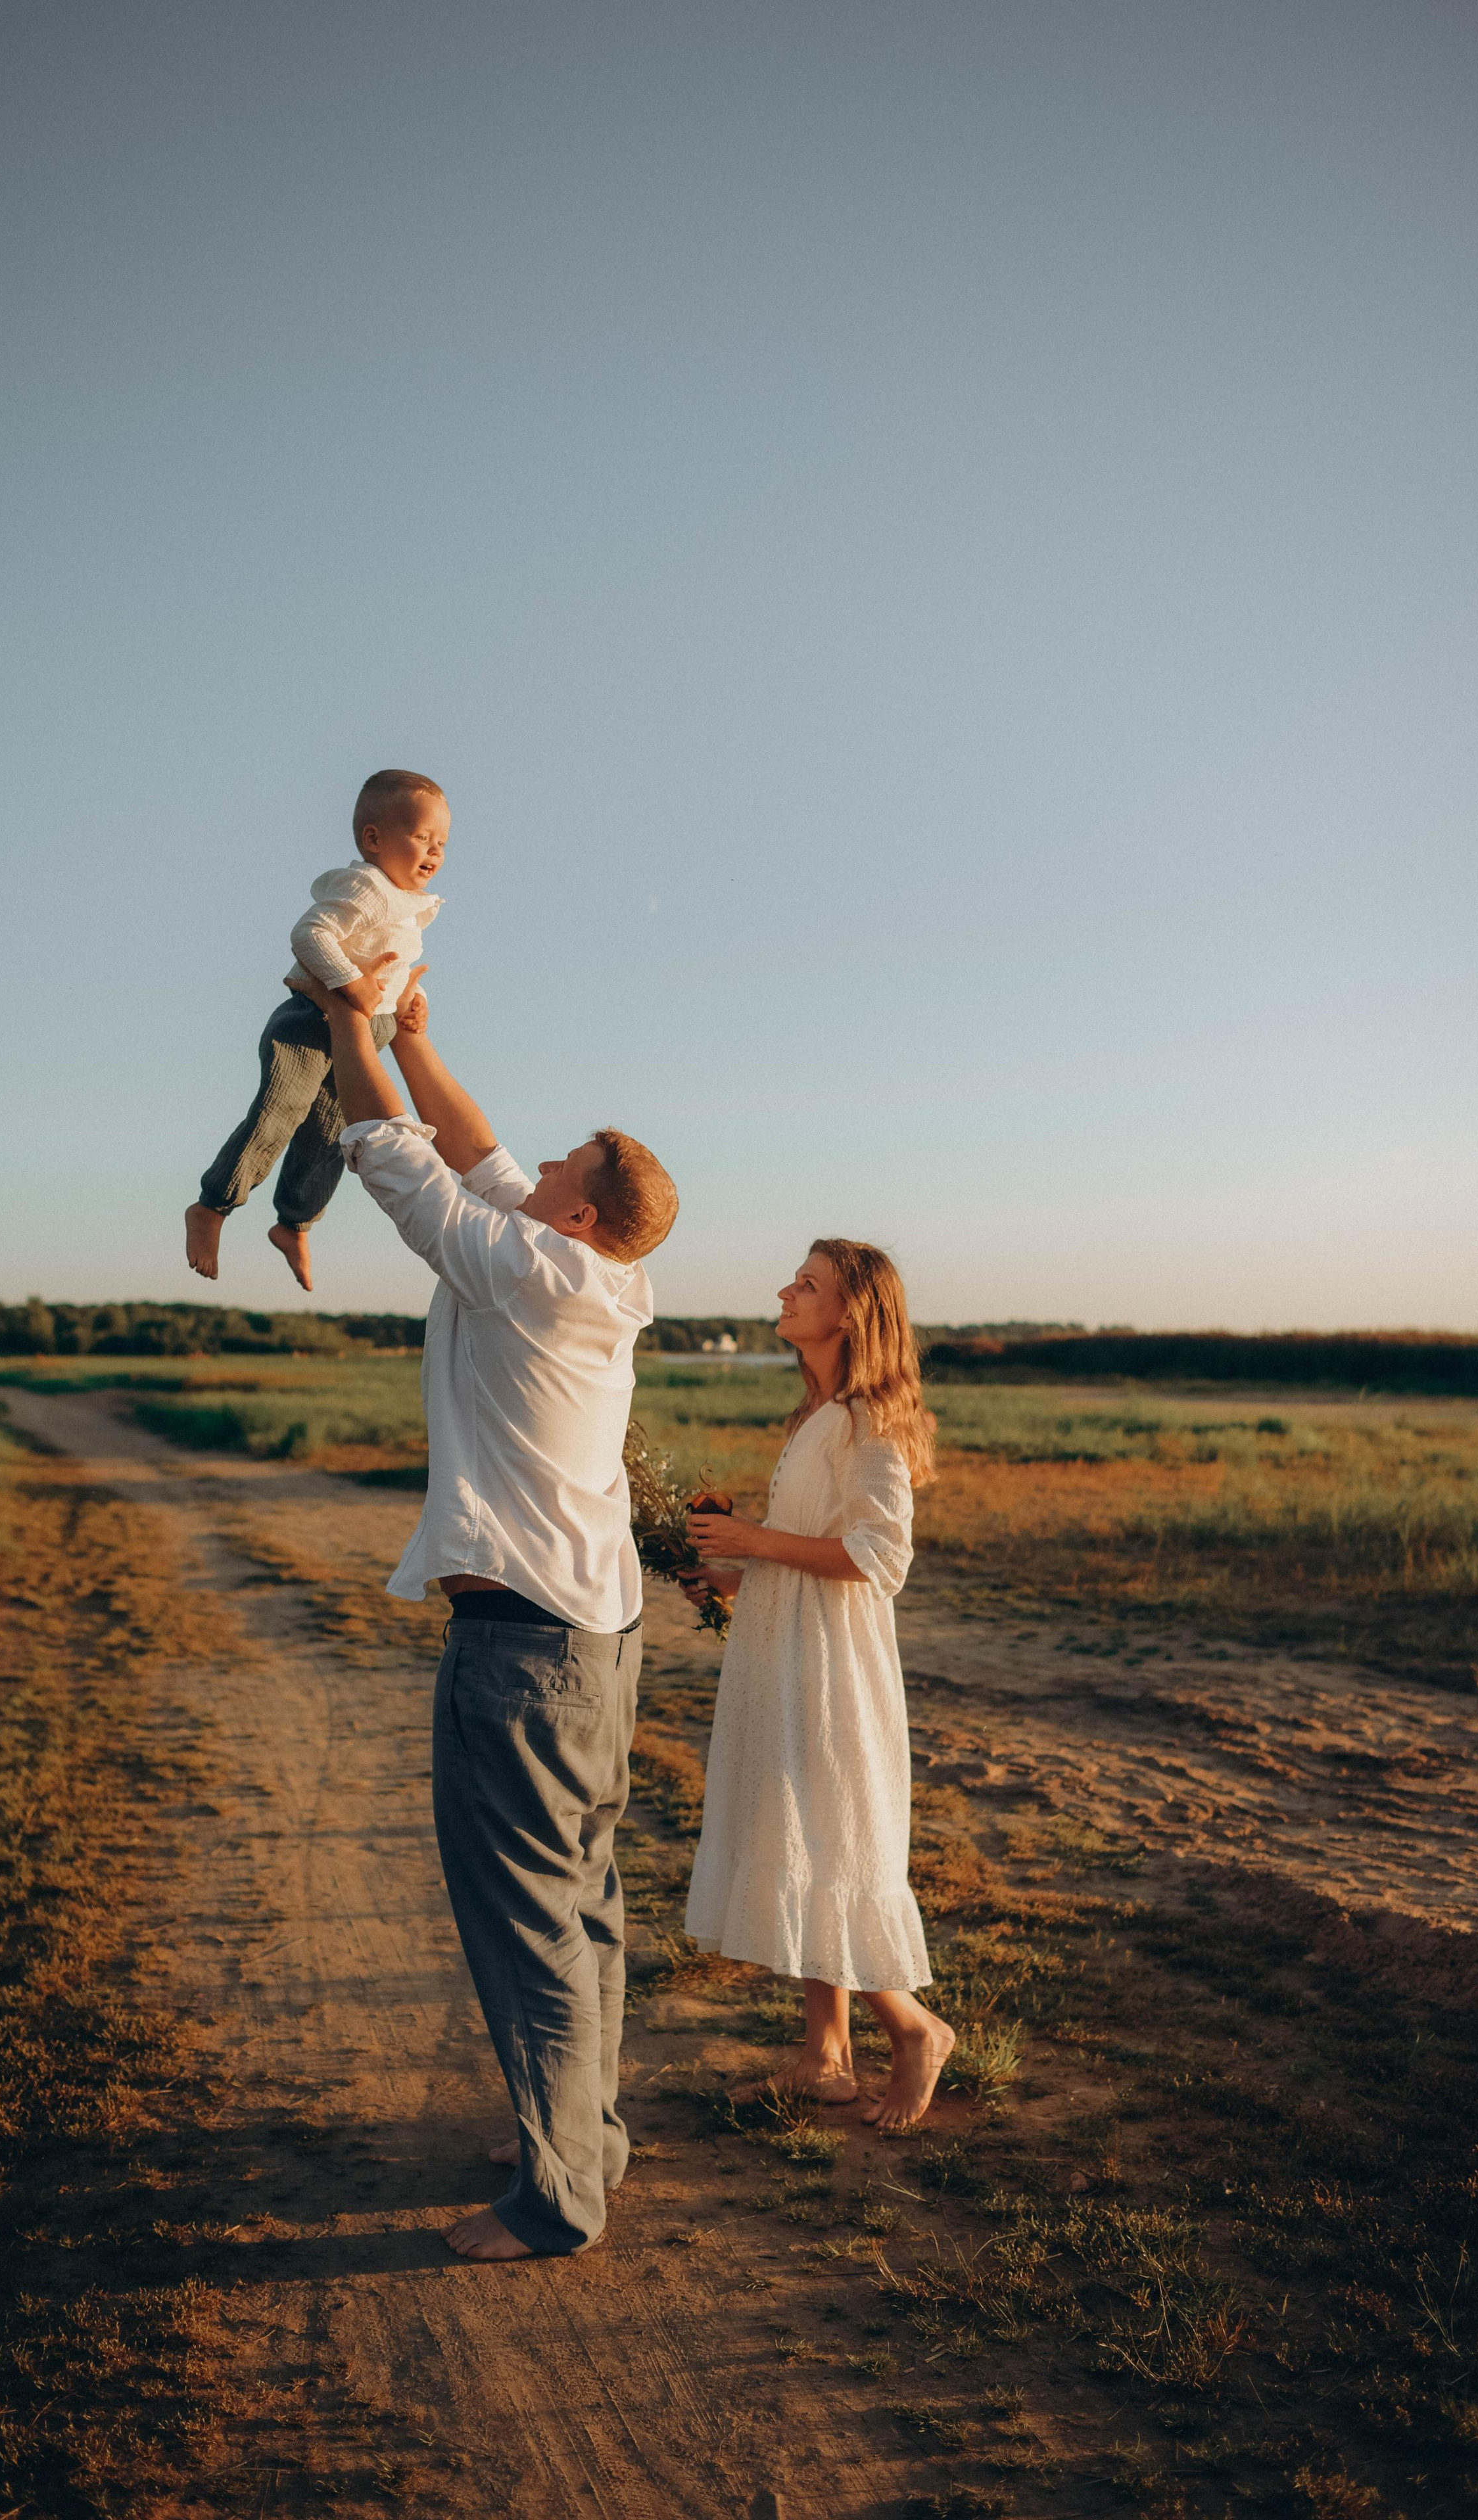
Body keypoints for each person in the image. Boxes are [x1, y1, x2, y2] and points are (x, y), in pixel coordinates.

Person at [283, 954, 678, 2260]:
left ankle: (555, 2200)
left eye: (562, 1168)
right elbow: (474, 1145)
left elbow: (393, 1154)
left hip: (524, 1656)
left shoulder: (532, 1273)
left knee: (528, 1929)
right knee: (585, 1911)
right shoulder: (591, 1271)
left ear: (576, 1218)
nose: (534, 1166)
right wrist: (411, 1032)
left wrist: (345, 1019)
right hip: (588, 1644)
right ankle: (589, 2141)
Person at [682, 1241, 953, 2133]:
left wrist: (754, 1541)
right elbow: (797, 1558)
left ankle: (915, 2032)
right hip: (786, 1651)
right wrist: (718, 1564)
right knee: (801, 1839)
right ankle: (825, 2056)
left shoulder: (871, 1417)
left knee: (833, 1842)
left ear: (850, 1312)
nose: (784, 1290)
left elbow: (881, 1558)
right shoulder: (814, 1418)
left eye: (806, 1282)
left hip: (835, 1667)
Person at [183, 769, 448, 1292]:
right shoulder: (368, 887)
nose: (435, 852)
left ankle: (294, 1225)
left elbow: (394, 970)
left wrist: (414, 1006)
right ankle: (212, 1206)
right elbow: (310, 935)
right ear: (374, 839)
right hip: (310, 1024)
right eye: (422, 837)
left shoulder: (411, 908)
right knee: (279, 1114)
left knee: (330, 1137)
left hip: (361, 1039)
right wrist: (349, 984)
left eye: (442, 843)